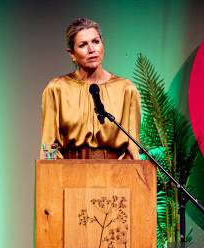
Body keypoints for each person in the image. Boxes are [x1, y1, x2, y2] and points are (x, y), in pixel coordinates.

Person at [40, 17, 141, 160]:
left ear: (103, 45)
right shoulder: (57, 89)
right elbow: (49, 147)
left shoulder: (126, 89)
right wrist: (52, 177)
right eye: (83, 45)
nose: (92, 49)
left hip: (115, 176)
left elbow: (132, 150)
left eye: (96, 42)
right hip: (68, 175)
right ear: (72, 54)